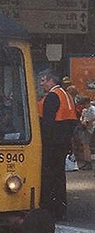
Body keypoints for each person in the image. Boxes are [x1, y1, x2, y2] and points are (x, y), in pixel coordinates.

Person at [37, 70, 78, 219]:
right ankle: (60, 208)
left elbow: (47, 123)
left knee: (48, 176)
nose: (41, 84)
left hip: (51, 144)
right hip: (62, 142)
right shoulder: (66, 95)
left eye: (43, 81)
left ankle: (48, 208)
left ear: (50, 81)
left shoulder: (52, 97)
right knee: (59, 176)